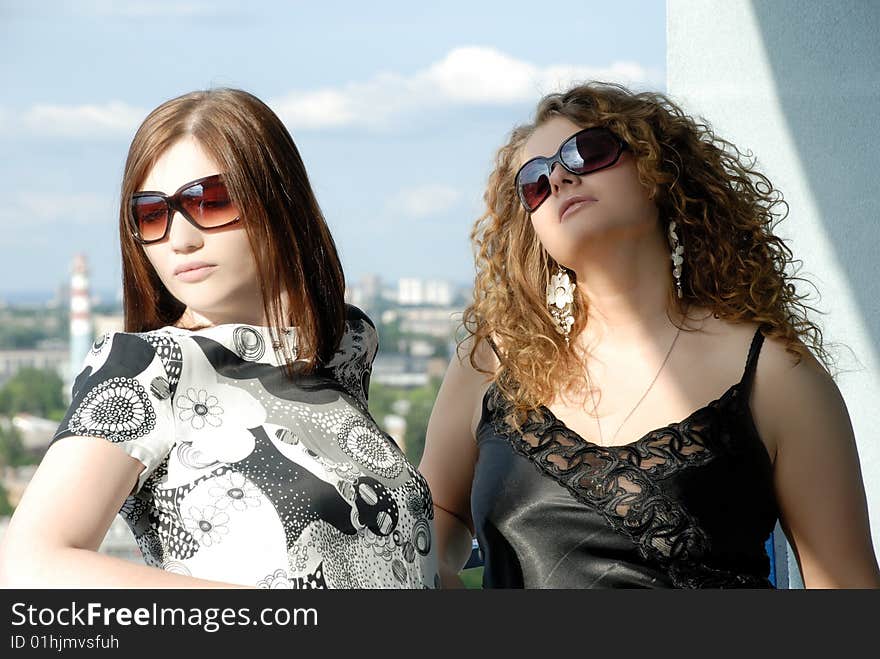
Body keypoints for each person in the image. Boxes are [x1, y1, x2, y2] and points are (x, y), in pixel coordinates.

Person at [419, 81, 880, 589]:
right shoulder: (488, 363)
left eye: (586, 151)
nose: (558, 177)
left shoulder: (778, 376)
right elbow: (429, 526)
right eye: (534, 182)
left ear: (657, 172)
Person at [0, 88, 438, 589]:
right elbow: (31, 565)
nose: (180, 238)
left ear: (279, 201)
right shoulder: (145, 368)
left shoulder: (342, 348)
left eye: (209, 201)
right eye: (151, 213)